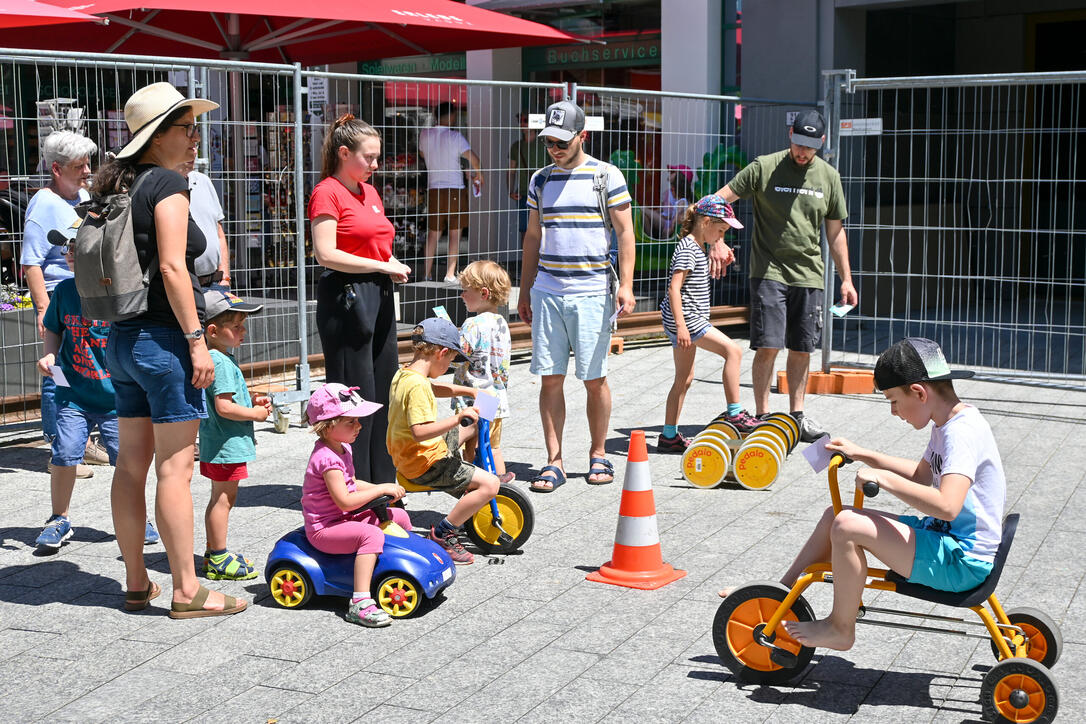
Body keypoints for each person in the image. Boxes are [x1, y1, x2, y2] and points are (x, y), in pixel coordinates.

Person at [722, 338, 1005, 652]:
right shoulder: (949, 423)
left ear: (919, 392)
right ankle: (777, 594)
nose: (894, 412)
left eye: (893, 401)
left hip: (960, 562)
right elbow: (923, 475)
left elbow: (948, 506)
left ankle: (840, 628)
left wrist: (882, 479)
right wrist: (862, 454)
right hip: (949, 543)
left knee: (847, 527)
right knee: (835, 516)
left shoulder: (960, 434)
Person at [99, 82, 246, 618]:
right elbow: (171, 266)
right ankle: (188, 590)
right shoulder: (166, 184)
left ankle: (137, 583)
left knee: (131, 467)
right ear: (157, 135)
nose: (195, 139)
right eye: (186, 129)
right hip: (164, 343)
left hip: (122, 342)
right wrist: (194, 342)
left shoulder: (123, 184)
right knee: (174, 472)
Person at [709, 110, 858, 442]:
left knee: (802, 347)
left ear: (821, 142)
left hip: (809, 275)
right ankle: (762, 418)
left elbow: (836, 233)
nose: (801, 152)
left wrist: (846, 278)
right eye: (797, 143)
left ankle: (797, 417)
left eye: (809, 146)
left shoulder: (829, 177)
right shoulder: (765, 167)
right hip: (769, 271)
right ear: (789, 134)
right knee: (768, 346)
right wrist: (716, 240)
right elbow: (718, 200)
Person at [517, 100, 636, 492]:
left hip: (591, 291)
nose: (554, 147)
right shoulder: (540, 180)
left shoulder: (607, 176)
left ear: (582, 136)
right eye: (549, 141)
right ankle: (554, 461)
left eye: (562, 141)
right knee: (550, 379)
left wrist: (626, 284)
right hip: (548, 290)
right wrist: (526, 289)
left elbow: (625, 233)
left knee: (594, 378)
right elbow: (533, 237)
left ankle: (598, 452)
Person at [33, 237, 160, 551]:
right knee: (63, 453)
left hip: (117, 397)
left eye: (80, 246)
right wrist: (50, 356)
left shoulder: (117, 292)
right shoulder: (63, 292)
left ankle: (136, 515)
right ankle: (58, 518)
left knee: (127, 460)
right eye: (68, 249)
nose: (72, 254)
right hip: (71, 391)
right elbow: (53, 329)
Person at [310, 114, 410, 486]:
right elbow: (326, 254)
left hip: (378, 292)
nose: (375, 165)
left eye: (377, 157)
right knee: (356, 394)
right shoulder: (327, 191)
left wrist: (389, 264)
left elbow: (376, 244)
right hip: (347, 297)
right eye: (368, 157)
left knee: (383, 388)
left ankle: (382, 482)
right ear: (343, 153)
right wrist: (380, 265)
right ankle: (353, 482)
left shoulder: (368, 192)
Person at [387, 318, 499, 565]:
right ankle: (443, 533)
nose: (449, 366)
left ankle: (468, 477)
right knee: (491, 485)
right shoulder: (416, 386)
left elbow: (434, 388)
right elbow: (420, 432)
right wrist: (458, 418)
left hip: (415, 454)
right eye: (450, 361)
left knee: (475, 427)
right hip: (424, 464)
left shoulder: (406, 373)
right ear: (442, 352)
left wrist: (469, 392)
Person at [20, 130, 100, 477]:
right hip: (59, 301)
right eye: (80, 165)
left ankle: (79, 442)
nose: (88, 171)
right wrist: (43, 310)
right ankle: (60, 449)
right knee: (59, 372)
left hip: (84, 299)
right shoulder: (44, 205)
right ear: (56, 168)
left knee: (83, 367)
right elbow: (31, 263)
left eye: (88, 163)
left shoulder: (81, 196)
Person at [303, 383, 410, 627]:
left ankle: (393, 566)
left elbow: (351, 483)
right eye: (351, 421)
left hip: (343, 520)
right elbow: (346, 501)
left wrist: (380, 489)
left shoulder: (343, 448)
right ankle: (360, 602)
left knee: (398, 517)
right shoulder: (326, 459)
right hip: (325, 528)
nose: (359, 426)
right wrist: (381, 489)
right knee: (371, 534)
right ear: (329, 426)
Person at [658, 196, 759, 453]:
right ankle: (735, 411)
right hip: (689, 320)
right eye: (721, 230)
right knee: (733, 351)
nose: (721, 236)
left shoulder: (696, 247)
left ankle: (669, 436)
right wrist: (681, 326)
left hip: (686, 319)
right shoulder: (688, 248)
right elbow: (674, 288)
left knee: (684, 378)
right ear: (705, 222)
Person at [198, 289, 271, 581]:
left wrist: (250, 399)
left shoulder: (217, 357)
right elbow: (224, 406)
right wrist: (255, 414)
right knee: (223, 499)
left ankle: (213, 550)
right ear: (213, 331)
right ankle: (218, 557)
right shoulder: (219, 361)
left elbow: (226, 398)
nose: (244, 332)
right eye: (237, 327)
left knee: (221, 497)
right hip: (225, 445)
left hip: (219, 442)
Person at [452, 260, 515, 483]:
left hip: (474, 399)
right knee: (493, 447)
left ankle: (476, 490)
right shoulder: (501, 324)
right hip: (495, 396)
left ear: (484, 293)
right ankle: (502, 486)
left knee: (472, 448)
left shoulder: (473, 324)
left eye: (465, 291)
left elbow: (461, 353)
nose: (461, 296)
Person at [417, 102, 483, 282]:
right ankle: (449, 274)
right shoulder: (455, 136)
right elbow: (474, 159)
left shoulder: (424, 134)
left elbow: (423, 155)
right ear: (452, 116)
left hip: (434, 189)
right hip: (455, 188)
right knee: (455, 232)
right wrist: (478, 174)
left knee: (433, 233)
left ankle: (427, 273)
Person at [178, 158, 230, 290]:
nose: (194, 152)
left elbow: (219, 233)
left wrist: (225, 278)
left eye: (196, 145)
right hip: (184, 285)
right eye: (189, 146)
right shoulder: (163, 185)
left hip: (215, 283)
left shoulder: (203, 181)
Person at [507, 112, 547, 250]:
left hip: (545, 193)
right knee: (525, 231)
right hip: (524, 193)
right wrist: (511, 190)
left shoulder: (545, 144)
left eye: (526, 120)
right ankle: (526, 266)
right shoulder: (516, 146)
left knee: (546, 231)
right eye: (520, 120)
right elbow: (511, 171)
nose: (523, 123)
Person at [643, 164, 694, 238]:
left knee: (642, 210)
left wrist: (670, 222)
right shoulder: (669, 193)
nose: (670, 173)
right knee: (644, 215)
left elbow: (676, 215)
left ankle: (651, 240)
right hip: (665, 220)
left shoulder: (682, 200)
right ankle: (650, 239)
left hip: (667, 223)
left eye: (673, 172)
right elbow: (663, 210)